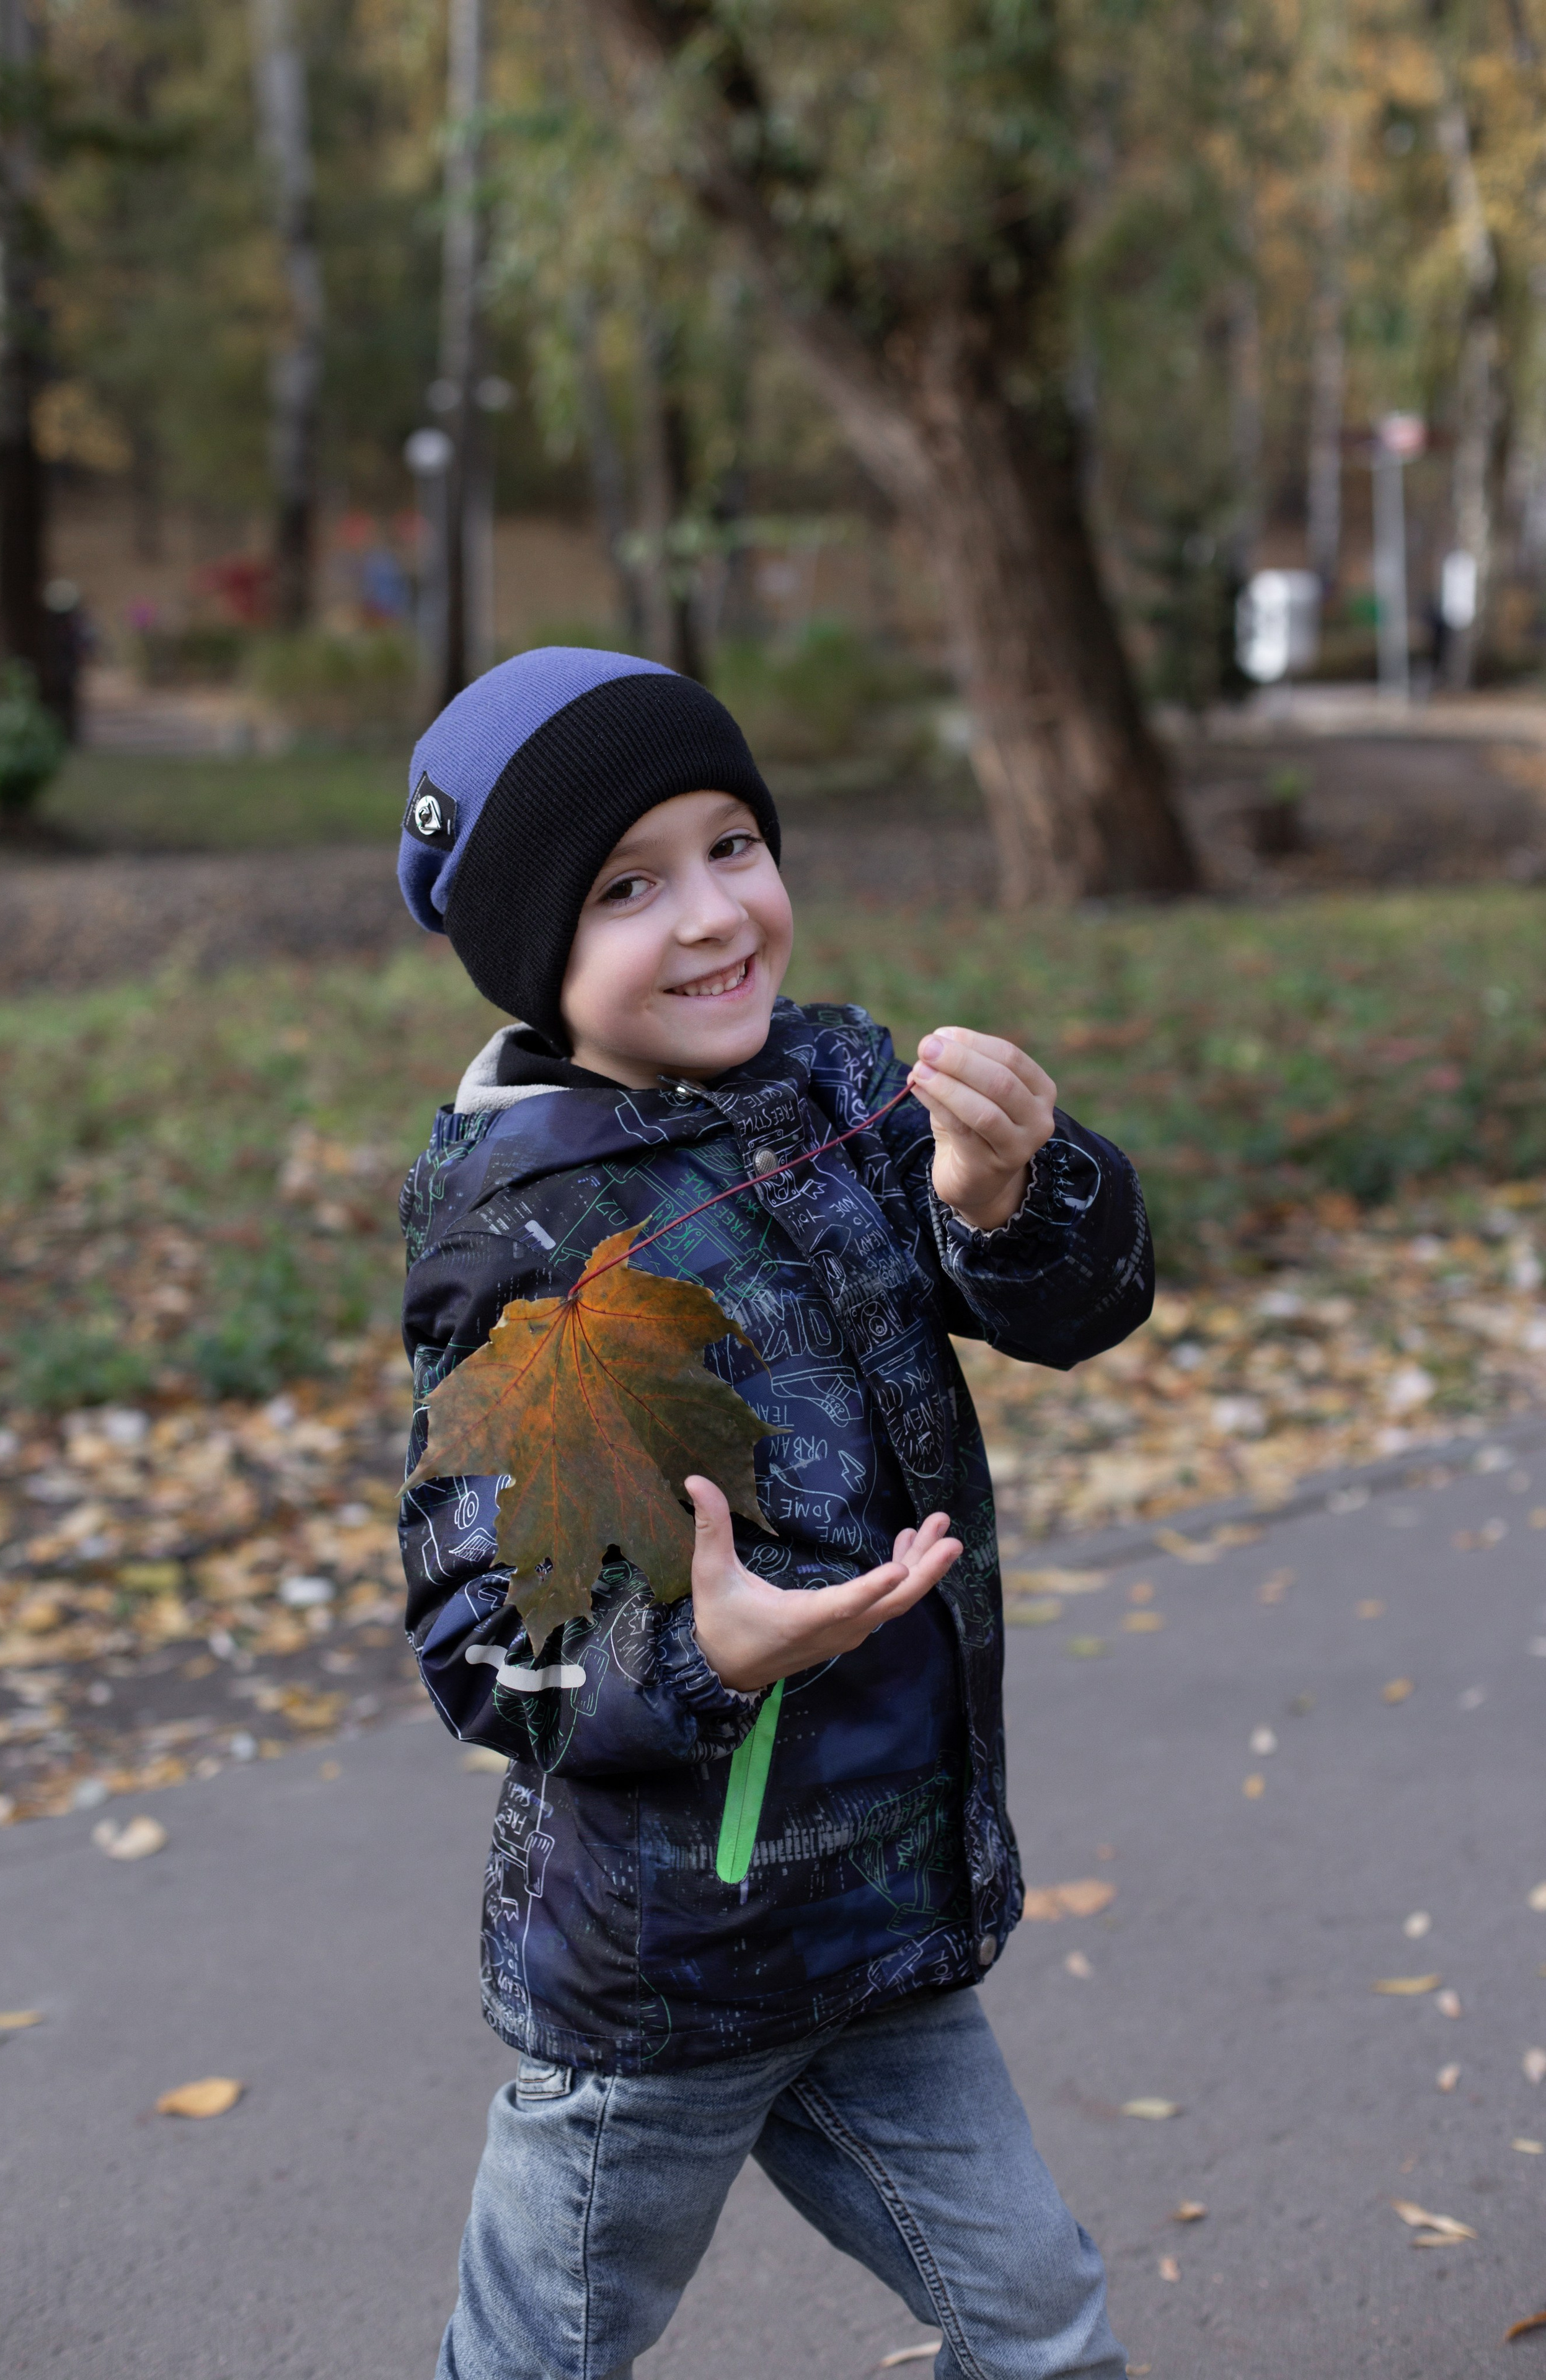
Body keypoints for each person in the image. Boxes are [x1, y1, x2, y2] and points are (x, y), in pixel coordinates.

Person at [394, 648, 1152, 2380]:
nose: (716, 912)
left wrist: (1011, 1189)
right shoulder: (524, 1242)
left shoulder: (834, 1096)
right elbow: (480, 1646)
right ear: (537, 953)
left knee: (1047, 2336)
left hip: (882, 1921)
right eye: (627, 886)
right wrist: (705, 1657)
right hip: (668, 1972)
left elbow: (1077, 1310)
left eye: (734, 842)